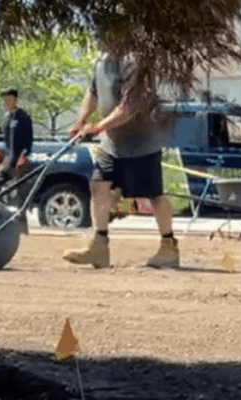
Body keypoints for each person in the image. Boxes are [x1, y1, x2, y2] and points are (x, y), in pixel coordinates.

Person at [65, 47, 179, 269]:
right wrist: (81, 120)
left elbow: (129, 108)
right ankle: (99, 247)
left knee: (154, 198)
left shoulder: (136, 63)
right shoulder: (102, 61)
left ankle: (169, 247)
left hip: (142, 142)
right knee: (98, 186)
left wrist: (97, 127)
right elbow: (93, 93)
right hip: (111, 144)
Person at [0, 88, 34, 233]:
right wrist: (0, 157)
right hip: (9, 158)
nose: (6, 102)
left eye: (9, 98)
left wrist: (25, 155)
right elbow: (6, 141)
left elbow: (29, 139)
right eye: (4, 99)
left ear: (15, 99)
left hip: (20, 158)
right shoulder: (7, 117)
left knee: (20, 193)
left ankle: (22, 226)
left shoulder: (23, 117)